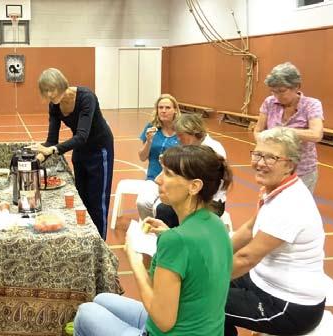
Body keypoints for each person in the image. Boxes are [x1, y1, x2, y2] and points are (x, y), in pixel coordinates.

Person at [74, 145, 234, 336]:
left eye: (168, 173)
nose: (158, 179)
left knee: (85, 312)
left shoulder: (177, 241)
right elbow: (194, 261)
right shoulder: (215, 224)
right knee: (101, 299)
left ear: (194, 186)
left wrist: (135, 262)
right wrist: (168, 233)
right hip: (203, 328)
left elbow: (163, 321)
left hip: (167, 329)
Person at [225, 127, 326, 335]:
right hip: (261, 281)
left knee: (198, 300)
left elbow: (246, 258)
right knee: (205, 288)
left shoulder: (290, 204)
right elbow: (248, 228)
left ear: (289, 165)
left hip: (289, 305)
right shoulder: (275, 189)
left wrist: (202, 278)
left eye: (270, 157)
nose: (260, 163)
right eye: (258, 154)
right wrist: (216, 255)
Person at [33, 68, 114, 240]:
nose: (49, 95)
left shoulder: (86, 97)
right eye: (45, 91)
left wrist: (53, 150)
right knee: (81, 199)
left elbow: (82, 136)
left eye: (51, 89)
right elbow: (51, 141)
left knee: (97, 202)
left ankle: (100, 246)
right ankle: (84, 240)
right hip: (80, 150)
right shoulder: (54, 105)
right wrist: (37, 158)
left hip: (100, 151)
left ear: (61, 84)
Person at [253, 62, 324, 193]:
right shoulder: (269, 102)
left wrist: (282, 132)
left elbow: (316, 134)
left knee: (297, 210)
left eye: (282, 91)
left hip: (303, 171)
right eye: (273, 91)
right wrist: (264, 148)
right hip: (273, 169)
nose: (277, 96)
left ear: (296, 86)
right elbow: (258, 130)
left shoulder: (311, 104)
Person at [153, 113, 228, 228]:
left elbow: (203, 186)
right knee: (163, 205)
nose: (178, 139)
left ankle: (172, 238)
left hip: (210, 201)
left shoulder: (212, 149)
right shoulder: (193, 147)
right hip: (194, 195)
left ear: (192, 132)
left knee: (165, 210)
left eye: (180, 135)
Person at [135, 94, 180, 220]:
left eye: (167, 107)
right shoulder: (151, 128)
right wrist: (149, 141)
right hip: (153, 178)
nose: (163, 111)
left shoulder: (182, 131)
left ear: (175, 110)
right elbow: (142, 157)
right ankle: (149, 231)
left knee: (162, 210)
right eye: (160, 107)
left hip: (174, 181)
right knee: (142, 202)